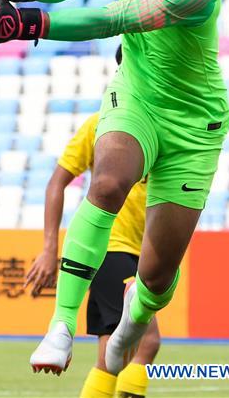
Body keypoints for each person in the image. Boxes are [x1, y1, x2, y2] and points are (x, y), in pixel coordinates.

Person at [0, 0, 229, 375]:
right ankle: (61, 325)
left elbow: (117, 17)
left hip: (194, 129)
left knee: (157, 278)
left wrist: (29, 24)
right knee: (108, 183)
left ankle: (131, 328)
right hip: (135, 97)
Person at [25, 47, 160, 398]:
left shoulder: (163, 126)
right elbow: (57, 181)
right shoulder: (103, 124)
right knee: (139, 346)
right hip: (109, 248)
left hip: (137, 252)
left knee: (125, 352)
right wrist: (49, 248)